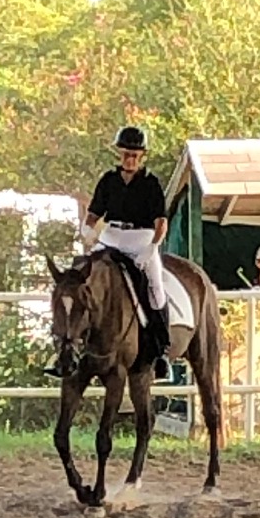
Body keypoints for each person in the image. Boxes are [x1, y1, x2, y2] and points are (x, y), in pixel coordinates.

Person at [84, 124, 170, 362]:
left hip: (140, 239)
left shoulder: (151, 183)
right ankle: (73, 342)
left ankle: (161, 347)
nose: (130, 160)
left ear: (141, 156)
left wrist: (152, 248)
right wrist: (87, 231)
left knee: (155, 287)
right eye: (125, 154)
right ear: (119, 154)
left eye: (134, 155)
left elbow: (161, 223)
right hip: (111, 236)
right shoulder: (108, 180)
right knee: (83, 276)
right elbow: (93, 215)